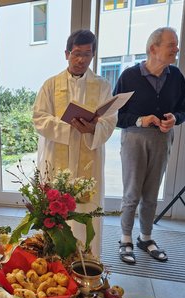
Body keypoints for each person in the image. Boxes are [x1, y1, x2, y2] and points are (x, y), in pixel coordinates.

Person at [33, 29, 117, 256]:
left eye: (87, 54)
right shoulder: (51, 85)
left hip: (88, 156)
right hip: (58, 155)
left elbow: (110, 121)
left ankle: (86, 259)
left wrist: (92, 128)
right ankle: (54, 257)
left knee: (85, 210)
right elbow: (39, 118)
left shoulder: (102, 86)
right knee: (56, 212)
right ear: (67, 54)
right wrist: (69, 127)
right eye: (76, 53)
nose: (81, 59)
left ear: (93, 56)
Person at [114, 27, 185, 264]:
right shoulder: (129, 76)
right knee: (132, 192)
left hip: (162, 138)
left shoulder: (176, 76)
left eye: (176, 45)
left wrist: (175, 119)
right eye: (172, 45)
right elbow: (115, 116)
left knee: (151, 193)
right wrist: (140, 120)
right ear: (153, 48)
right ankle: (125, 238)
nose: (176, 49)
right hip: (134, 138)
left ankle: (145, 238)